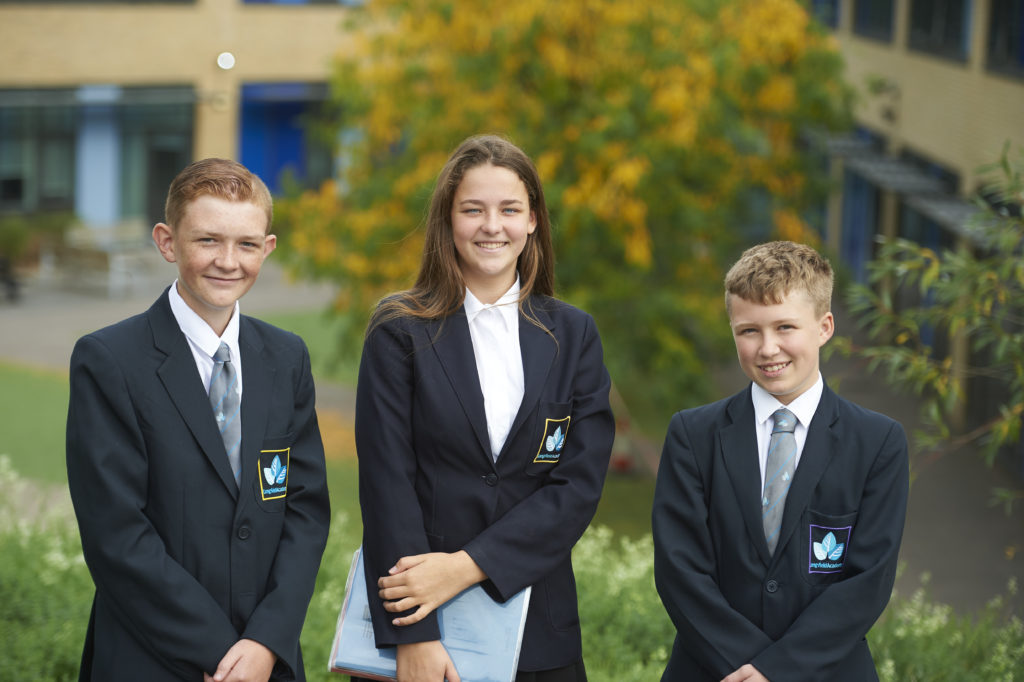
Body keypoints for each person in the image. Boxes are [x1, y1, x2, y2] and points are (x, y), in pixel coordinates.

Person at [354, 134, 615, 682]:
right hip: (427, 630)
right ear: (447, 221)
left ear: (533, 221)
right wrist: (414, 634)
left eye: (509, 209)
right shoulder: (398, 329)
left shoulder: (573, 334)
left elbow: (577, 488)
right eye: (472, 210)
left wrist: (465, 568)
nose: (491, 226)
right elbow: (387, 485)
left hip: (539, 632)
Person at [66, 158, 331, 682]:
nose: (228, 261)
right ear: (167, 242)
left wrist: (265, 641)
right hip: (153, 658)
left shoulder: (286, 357)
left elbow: (304, 509)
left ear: (268, 248)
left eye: (247, 244)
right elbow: (117, 535)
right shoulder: (109, 360)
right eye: (207, 240)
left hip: (266, 661)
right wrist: (220, 653)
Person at [652, 241, 909, 682]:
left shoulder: (878, 442)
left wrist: (779, 671)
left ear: (825, 326)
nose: (768, 348)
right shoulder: (693, 435)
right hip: (713, 669)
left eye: (785, 327)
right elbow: (680, 569)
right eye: (748, 331)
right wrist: (749, 669)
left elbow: (867, 580)